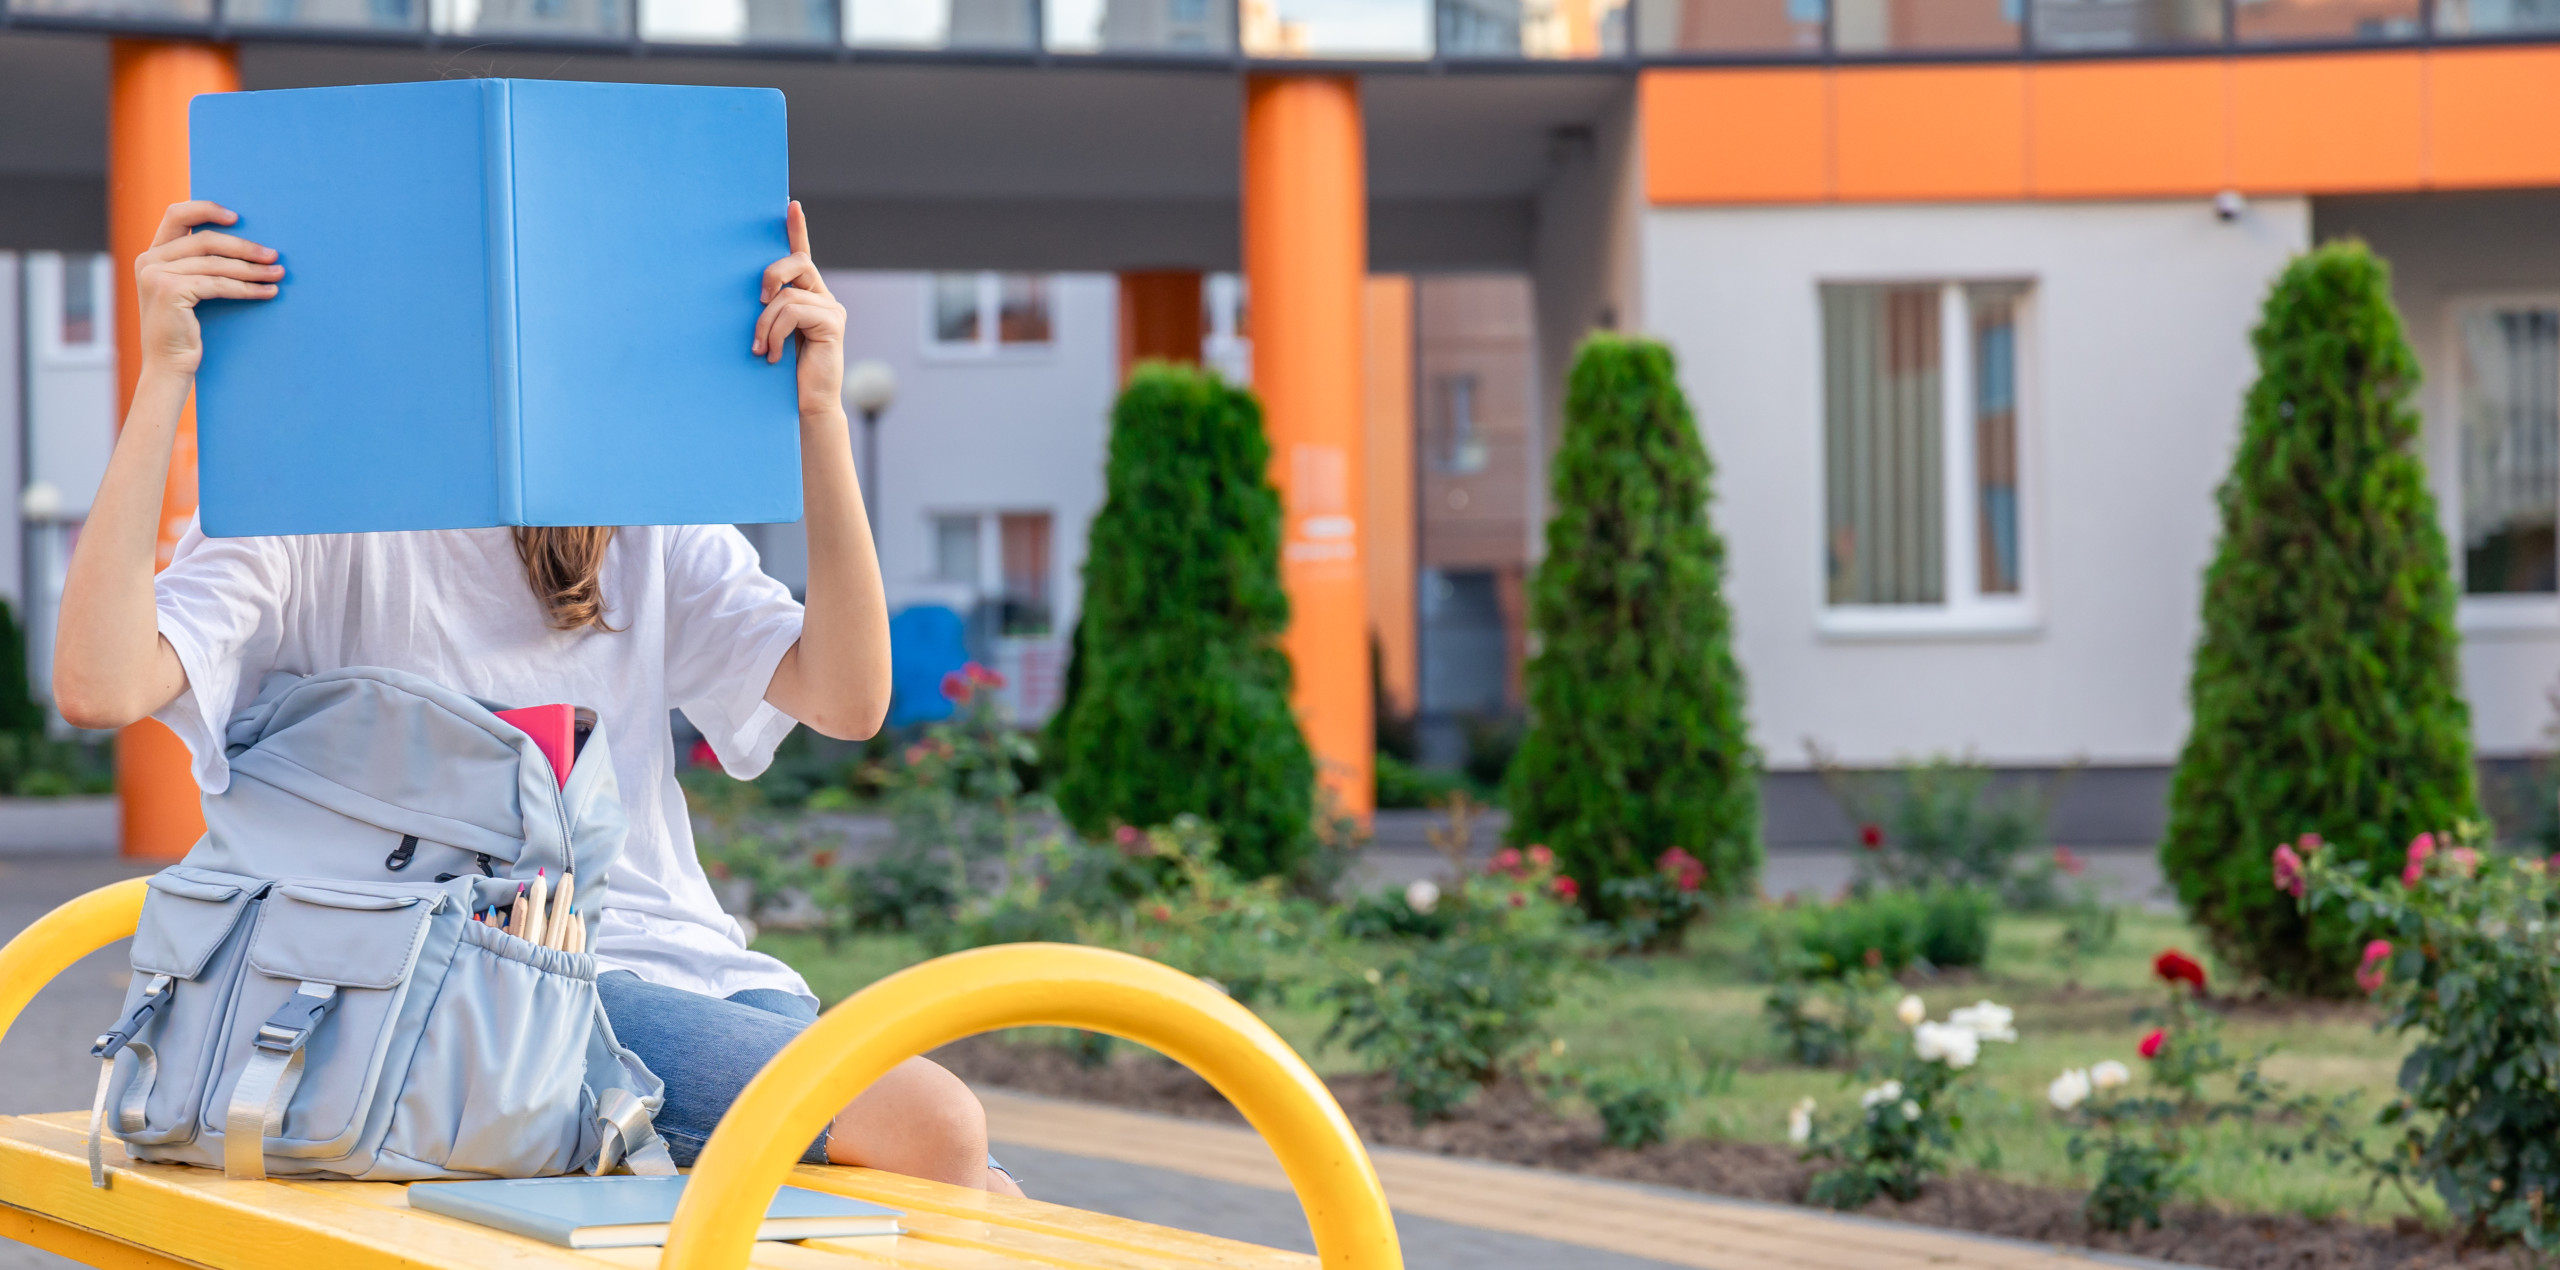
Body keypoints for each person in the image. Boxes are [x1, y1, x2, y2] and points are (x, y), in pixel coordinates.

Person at [52, 199, 1023, 1196]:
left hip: (688, 979)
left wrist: (821, 418)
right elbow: (98, 683)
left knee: (983, 1192)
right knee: (933, 1124)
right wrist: (165, 375)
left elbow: (848, 699)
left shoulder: (637, 517)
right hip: (464, 998)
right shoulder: (309, 506)